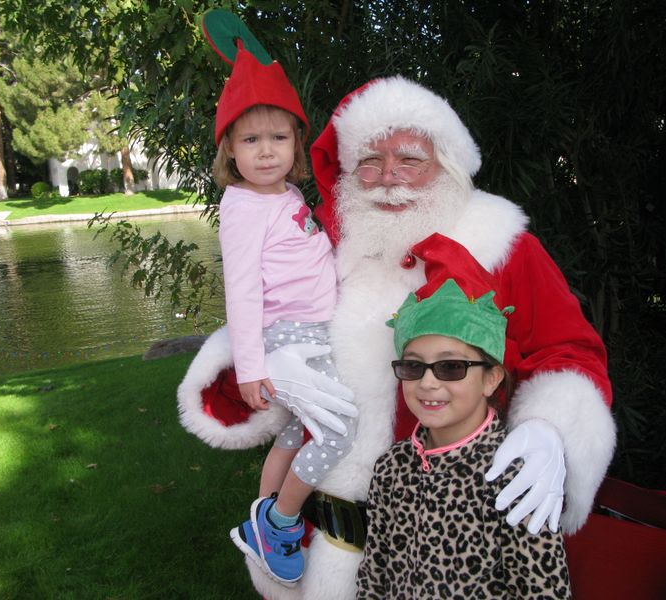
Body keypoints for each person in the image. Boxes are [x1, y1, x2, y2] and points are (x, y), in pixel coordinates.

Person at [179, 75, 616, 600]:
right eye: (369, 160)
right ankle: (275, 529)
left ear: (447, 164)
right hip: (325, 545)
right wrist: (268, 361)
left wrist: (553, 428)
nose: (388, 177)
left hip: (447, 545)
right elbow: (260, 305)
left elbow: (568, 348)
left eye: (409, 159)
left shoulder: (502, 245)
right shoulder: (326, 237)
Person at [199, 16, 358, 587]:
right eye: (250, 140)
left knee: (297, 433)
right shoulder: (242, 206)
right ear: (230, 151)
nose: (266, 152)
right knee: (341, 431)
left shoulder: (287, 193)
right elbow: (241, 290)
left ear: (296, 139)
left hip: (312, 337)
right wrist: (251, 365)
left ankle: (260, 529)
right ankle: (281, 521)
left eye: (278, 137)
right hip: (284, 341)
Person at [357, 240, 572, 599]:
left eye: (451, 367)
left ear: (491, 378)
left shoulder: (514, 477)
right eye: (413, 366)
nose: (428, 382)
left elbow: (543, 590)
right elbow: (373, 575)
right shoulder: (391, 468)